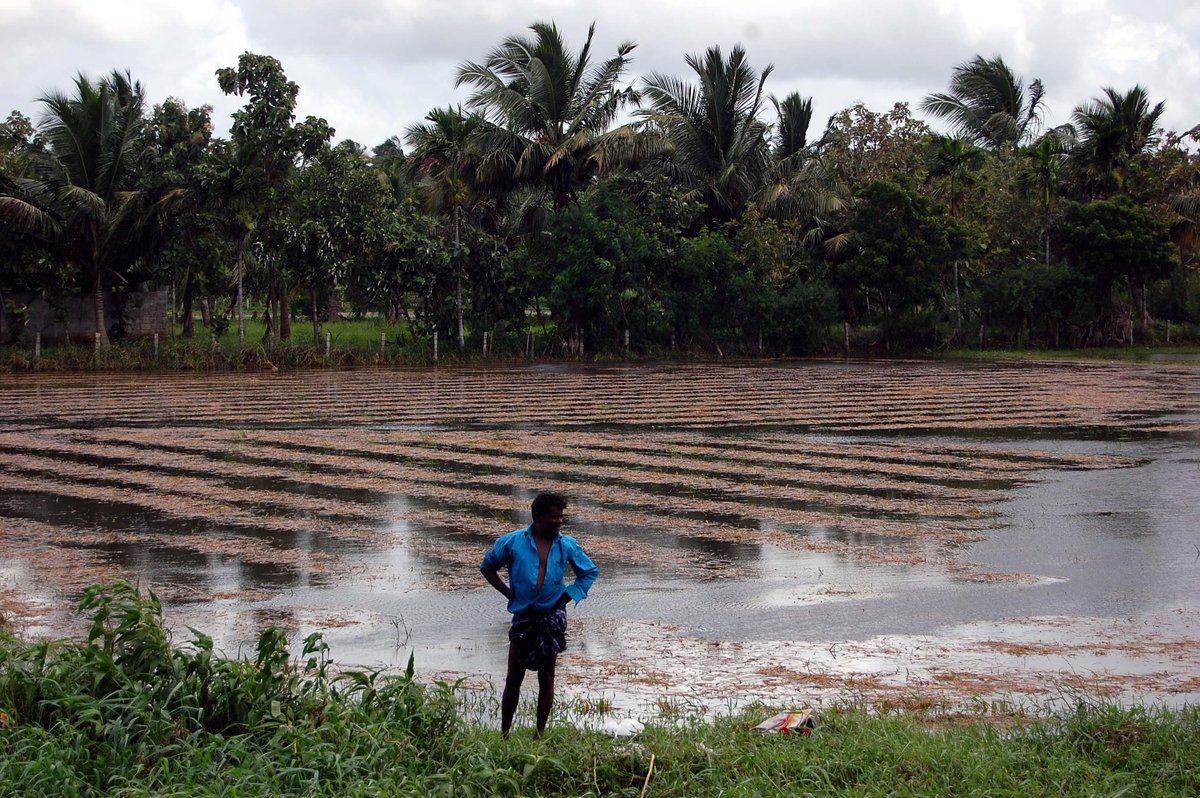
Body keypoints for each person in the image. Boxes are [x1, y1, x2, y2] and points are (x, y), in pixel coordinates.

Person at [480, 492, 599, 738]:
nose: (559, 521)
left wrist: (567, 597)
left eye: (561, 517)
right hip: (523, 615)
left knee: (547, 675)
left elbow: (589, 572)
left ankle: (539, 734)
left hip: (551, 615)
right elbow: (487, 567)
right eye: (554, 517)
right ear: (537, 517)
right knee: (514, 676)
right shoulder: (513, 542)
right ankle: (504, 734)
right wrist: (509, 594)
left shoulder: (566, 545)